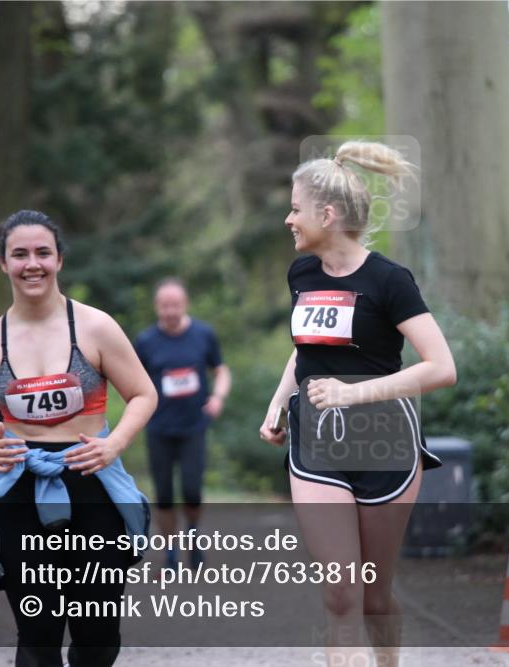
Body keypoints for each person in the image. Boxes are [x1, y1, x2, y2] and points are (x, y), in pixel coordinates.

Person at [259, 142, 457, 666]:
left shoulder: (389, 280)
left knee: (373, 594)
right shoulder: (302, 275)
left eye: (296, 209)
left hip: (385, 443)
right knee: (341, 593)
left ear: (327, 215)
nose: (288, 220)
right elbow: (306, 348)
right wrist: (278, 403)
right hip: (317, 444)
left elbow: (441, 367)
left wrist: (353, 392)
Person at [0, 210, 157, 667]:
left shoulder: (96, 327)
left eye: (42, 253)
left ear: (59, 259)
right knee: (38, 632)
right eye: (19, 254)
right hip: (20, 492)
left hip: (92, 487)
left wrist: (114, 444)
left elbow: (143, 394)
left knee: (97, 633)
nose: (32, 264)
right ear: (3, 263)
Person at [134, 278, 231, 568]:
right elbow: (133, 379)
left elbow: (221, 370)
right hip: (159, 427)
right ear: (156, 307)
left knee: (192, 490)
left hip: (193, 426)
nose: (170, 311)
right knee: (163, 494)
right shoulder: (146, 341)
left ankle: (193, 534)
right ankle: (171, 552)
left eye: (175, 305)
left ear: (185, 304)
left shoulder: (203, 334)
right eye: (165, 306)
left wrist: (218, 397)